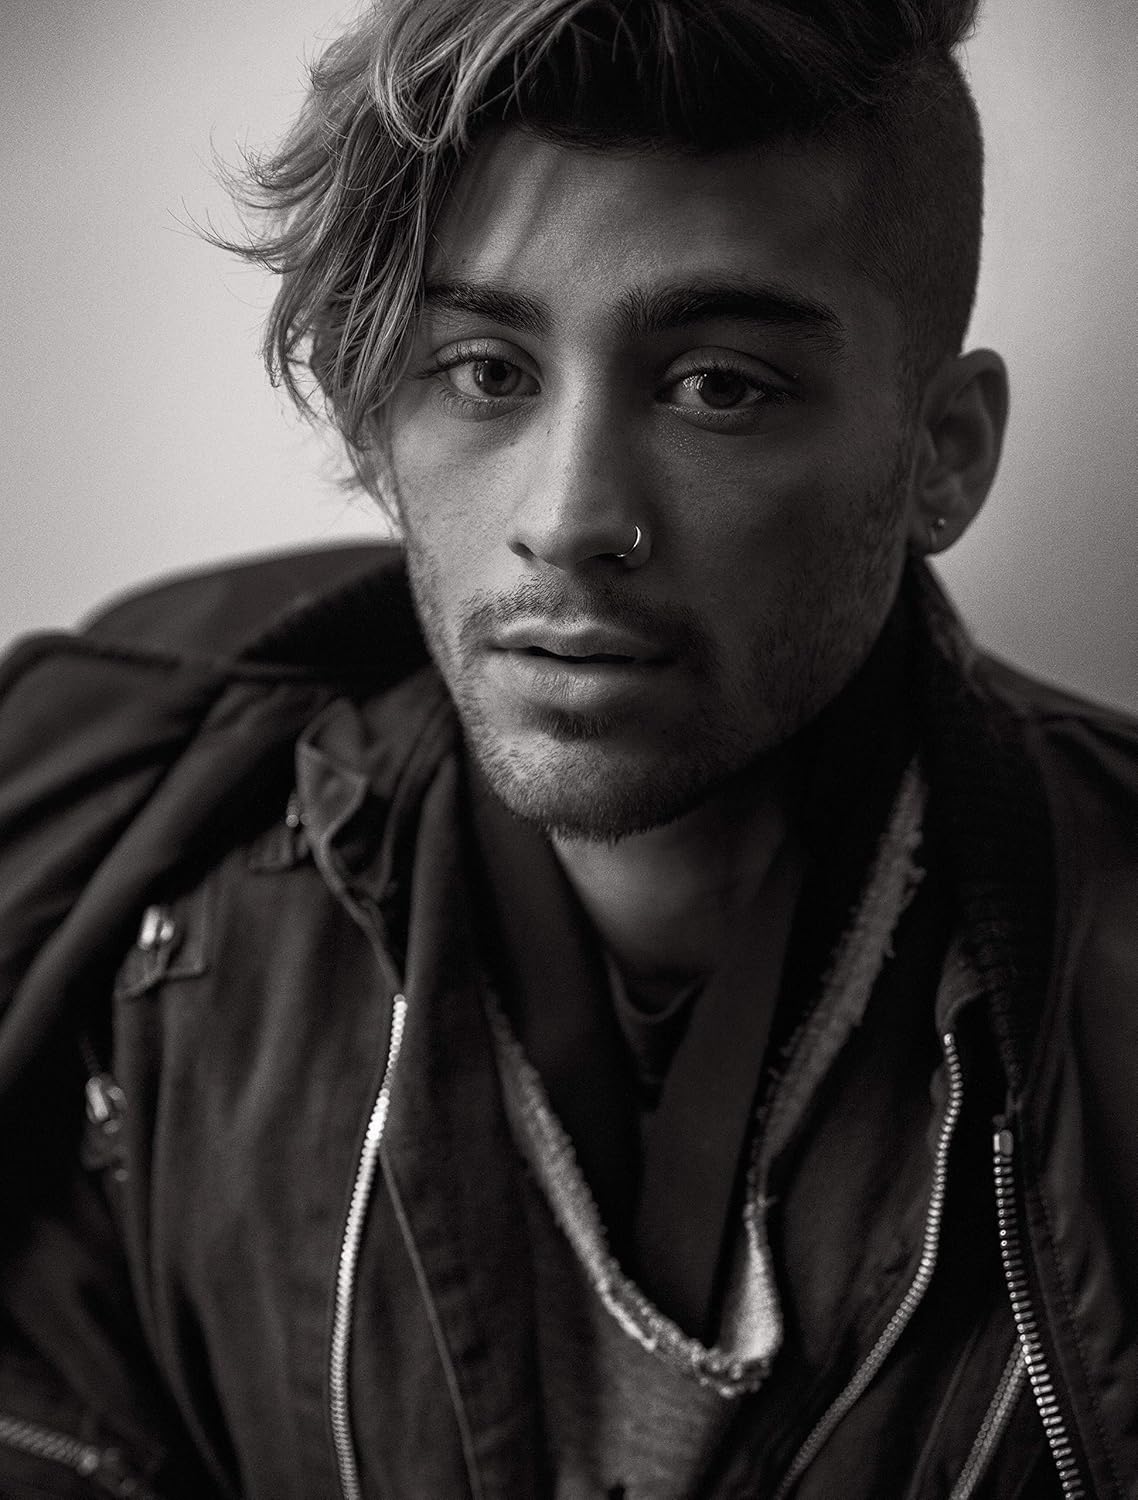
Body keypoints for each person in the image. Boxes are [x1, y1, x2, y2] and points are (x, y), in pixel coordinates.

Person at [0, 0, 1135, 1495]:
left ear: (945, 451)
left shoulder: (1112, 962)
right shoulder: (143, 895)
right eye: (485, 370)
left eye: (718, 384)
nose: (569, 517)